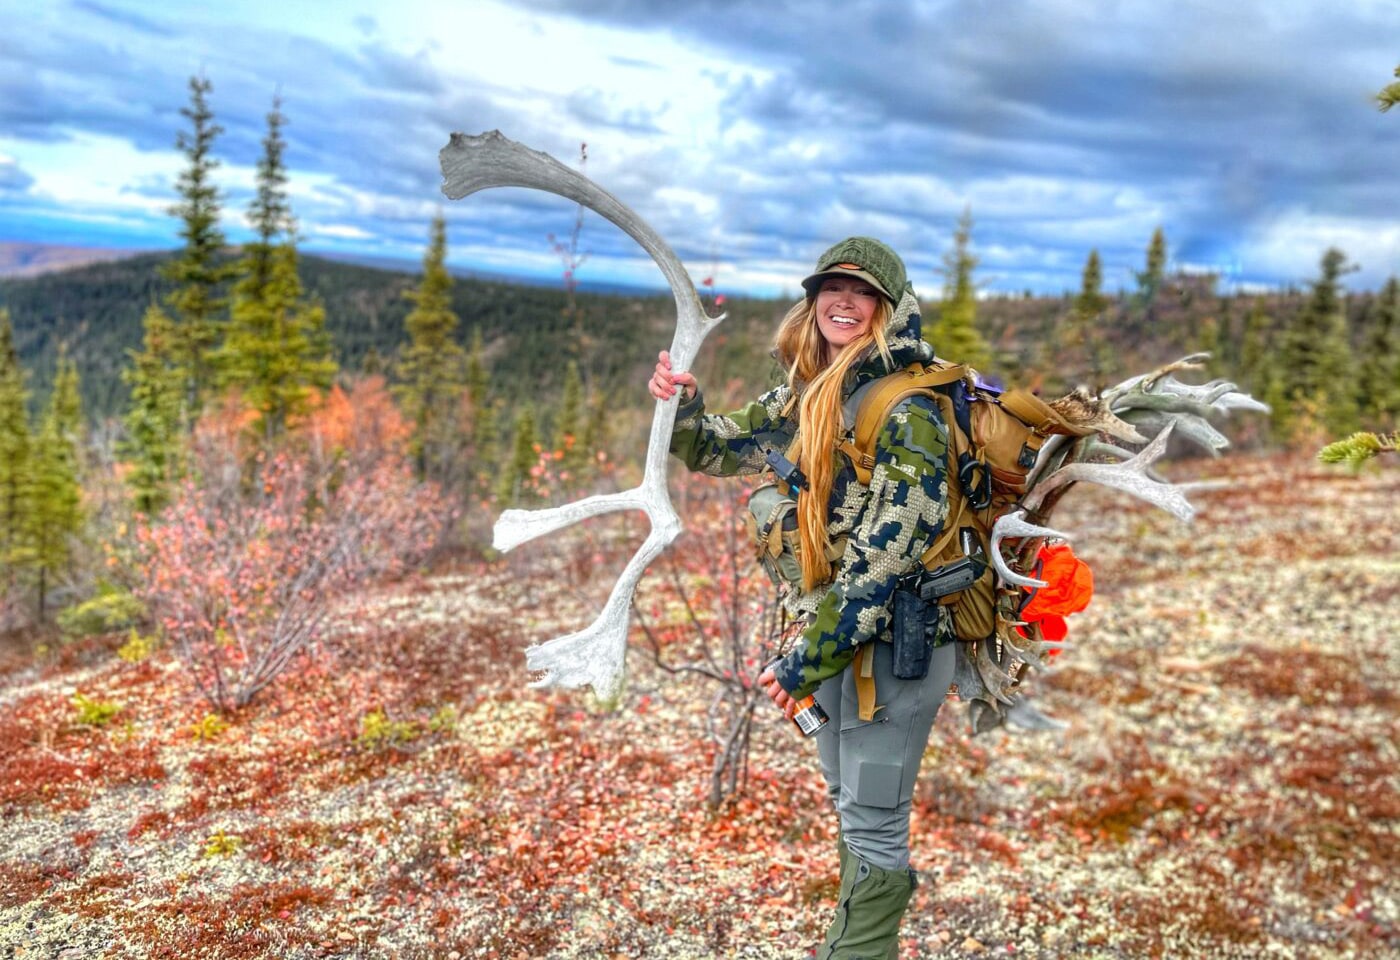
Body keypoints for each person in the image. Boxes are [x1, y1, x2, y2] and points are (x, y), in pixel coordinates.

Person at [649, 237, 956, 959]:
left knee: (876, 822)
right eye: (830, 288)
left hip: (898, 651)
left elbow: (886, 561)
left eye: (862, 292)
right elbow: (721, 448)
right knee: (852, 811)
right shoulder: (807, 391)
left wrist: (799, 666)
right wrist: (686, 408)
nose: (842, 302)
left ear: (890, 308)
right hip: (832, 643)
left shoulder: (910, 412)